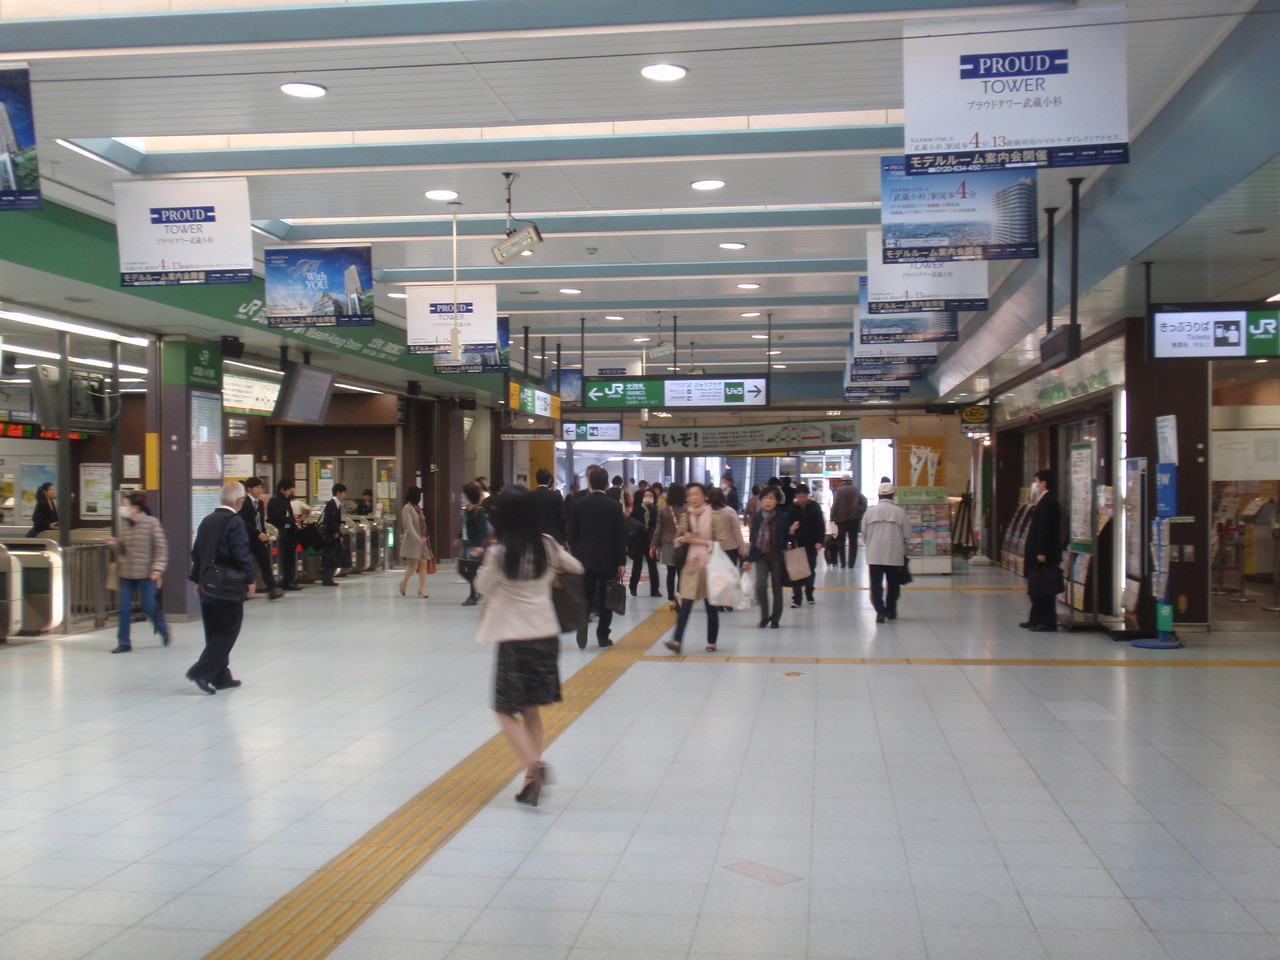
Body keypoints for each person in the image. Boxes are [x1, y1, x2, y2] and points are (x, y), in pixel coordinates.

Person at [475, 487, 584, 807]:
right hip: (546, 637)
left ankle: (534, 765)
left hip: (514, 640)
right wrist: (552, 579)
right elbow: (576, 567)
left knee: (504, 710)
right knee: (532, 709)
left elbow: (481, 586)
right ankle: (529, 783)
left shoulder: (500, 553)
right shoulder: (547, 545)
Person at [186, 481, 256, 694]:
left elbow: (197, 552)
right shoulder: (234, 522)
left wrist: (197, 579)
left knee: (214, 630)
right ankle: (201, 671)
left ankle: (221, 677)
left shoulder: (207, 520)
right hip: (228, 586)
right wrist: (250, 579)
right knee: (228, 631)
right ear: (239, 501)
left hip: (208, 584)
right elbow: (241, 553)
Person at [567, 464, 627, 649]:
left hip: (584, 559)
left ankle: (582, 622)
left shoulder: (578, 504)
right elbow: (619, 536)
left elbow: (571, 535)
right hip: (608, 559)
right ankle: (602, 635)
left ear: (589, 482)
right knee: (605, 597)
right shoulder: (614, 507)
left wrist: (578, 552)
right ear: (607, 484)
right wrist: (621, 562)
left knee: (585, 593)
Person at [664, 481, 727, 654]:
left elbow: (722, 543)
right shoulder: (685, 517)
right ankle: (676, 640)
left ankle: (711, 641)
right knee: (685, 606)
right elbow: (677, 540)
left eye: (696, 494)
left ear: (705, 496)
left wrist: (699, 541)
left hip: (709, 567)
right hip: (691, 567)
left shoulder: (714, 516)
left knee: (710, 606)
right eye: (690, 495)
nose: (693, 498)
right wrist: (682, 539)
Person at [106, 492, 169, 653]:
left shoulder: (151, 523)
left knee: (148, 606)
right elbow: (124, 549)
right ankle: (124, 642)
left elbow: (160, 548)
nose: (123, 508)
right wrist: (116, 544)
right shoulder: (125, 524)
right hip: (126, 573)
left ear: (136, 508)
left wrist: (157, 568)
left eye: (125, 505)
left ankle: (162, 629)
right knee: (124, 609)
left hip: (147, 574)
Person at [1022, 468, 1064, 633]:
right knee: (1037, 588)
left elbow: (1045, 529)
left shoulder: (1048, 502)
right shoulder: (1045, 500)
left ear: (1043, 483)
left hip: (1043, 554)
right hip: (1040, 552)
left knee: (1042, 589)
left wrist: (1041, 552)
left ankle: (1047, 621)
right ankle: (1036, 619)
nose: (1035, 484)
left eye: (1037, 481)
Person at [744, 487, 790, 629]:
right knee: (761, 585)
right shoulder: (758, 517)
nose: (768, 501)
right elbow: (754, 539)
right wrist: (749, 559)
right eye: (765, 498)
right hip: (761, 556)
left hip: (777, 557)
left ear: (776, 501)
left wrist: (792, 531)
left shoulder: (782, 517)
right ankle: (764, 616)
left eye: (771, 498)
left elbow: (786, 536)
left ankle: (775, 618)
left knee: (777, 588)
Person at [863, 482, 909, 623]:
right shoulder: (900, 512)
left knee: (876, 585)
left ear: (878, 496)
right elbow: (907, 535)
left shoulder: (869, 512)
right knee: (893, 584)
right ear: (893, 495)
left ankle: (880, 612)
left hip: (874, 555)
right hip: (894, 554)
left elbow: (864, 534)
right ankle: (891, 610)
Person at [238, 477, 284, 600]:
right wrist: (258, 533)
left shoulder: (260, 503)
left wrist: (264, 536)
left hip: (259, 539)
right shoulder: (244, 502)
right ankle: (244, 590)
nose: (259, 490)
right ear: (249, 489)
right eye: (257, 487)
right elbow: (245, 522)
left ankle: (271, 589)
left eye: (260, 487)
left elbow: (261, 522)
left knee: (265, 563)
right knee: (246, 564)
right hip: (247, 538)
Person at [786, 482, 824, 607]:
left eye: (804, 496)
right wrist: (790, 535)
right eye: (799, 496)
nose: (802, 499)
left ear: (807, 495)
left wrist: (819, 541)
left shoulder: (814, 507)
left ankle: (809, 594)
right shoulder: (791, 509)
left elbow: (820, 525)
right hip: (797, 544)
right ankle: (797, 598)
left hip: (811, 544)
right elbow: (787, 527)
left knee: (810, 569)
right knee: (796, 571)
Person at [651, 482, 686, 609]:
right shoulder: (687, 508)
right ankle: (680, 596)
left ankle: (671, 599)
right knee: (681, 572)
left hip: (668, 542)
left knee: (670, 572)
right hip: (683, 542)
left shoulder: (663, 509)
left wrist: (653, 545)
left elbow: (658, 529)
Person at [267, 479, 305, 592]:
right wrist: (291, 519)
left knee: (290, 558)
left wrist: (295, 518)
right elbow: (276, 517)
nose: (290, 493)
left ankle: (289, 581)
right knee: (282, 558)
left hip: (288, 532)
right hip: (280, 533)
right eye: (288, 491)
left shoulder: (286, 499)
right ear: (282, 489)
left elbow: (288, 515)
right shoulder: (274, 500)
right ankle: (282, 581)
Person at [457, 481, 490, 606]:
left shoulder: (478, 510)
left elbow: (482, 529)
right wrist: (458, 537)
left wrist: (480, 546)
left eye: (464, 494)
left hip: (474, 544)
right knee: (461, 569)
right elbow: (464, 526)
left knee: (472, 571)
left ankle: (473, 596)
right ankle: (477, 589)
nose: (462, 496)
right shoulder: (467, 509)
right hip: (465, 543)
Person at [627, 486, 661, 597]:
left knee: (652, 565)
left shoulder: (656, 511)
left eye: (650, 496)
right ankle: (633, 587)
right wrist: (641, 526)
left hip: (650, 541)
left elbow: (658, 526)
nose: (648, 498)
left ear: (654, 498)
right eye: (646, 496)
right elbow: (630, 523)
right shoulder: (637, 510)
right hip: (638, 540)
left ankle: (655, 590)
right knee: (637, 565)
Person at [398, 486, 431, 599]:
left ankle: (422, 589)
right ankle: (403, 584)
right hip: (412, 541)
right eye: (419, 495)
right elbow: (409, 527)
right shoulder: (407, 508)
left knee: (424, 564)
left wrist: (423, 538)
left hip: (422, 541)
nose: (420, 498)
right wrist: (418, 538)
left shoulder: (418, 509)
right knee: (413, 566)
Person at [829, 475, 868, 568]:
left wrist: (832, 516)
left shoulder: (839, 491)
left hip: (841, 519)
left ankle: (842, 562)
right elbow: (864, 500)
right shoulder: (855, 490)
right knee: (853, 542)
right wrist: (860, 511)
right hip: (854, 518)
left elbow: (835, 504)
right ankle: (851, 563)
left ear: (842, 481)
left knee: (841, 541)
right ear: (850, 481)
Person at [707, 485, 746, 565]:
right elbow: (737, 533)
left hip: (712, 548)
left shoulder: (706, 512)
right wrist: (742, 550)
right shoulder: (730, 511)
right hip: (730, 548)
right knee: (729, 574)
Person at [319, 483, 346, 586]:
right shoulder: (332, 503)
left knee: (333, 555)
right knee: (330, 556)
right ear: (338, 492)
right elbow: (328, 519)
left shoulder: (336, 504)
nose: (344, 495)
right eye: (343, 493)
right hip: (331, 535)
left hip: (334, 534)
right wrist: (335, 531)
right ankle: (326, 578)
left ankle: (328, 577)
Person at [529, 468, 568, 542]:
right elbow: (562, 518)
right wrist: (565, 539)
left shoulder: (530, 496)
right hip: (554, 537)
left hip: (535, 537)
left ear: (537, 480)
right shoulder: (556, 495)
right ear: (549, 480)